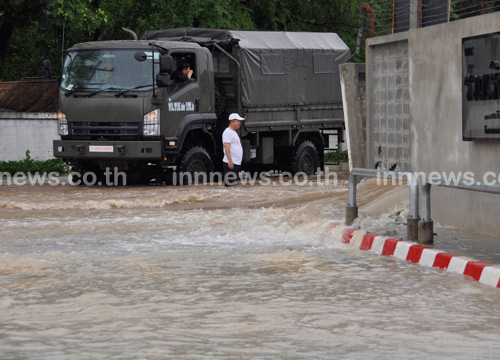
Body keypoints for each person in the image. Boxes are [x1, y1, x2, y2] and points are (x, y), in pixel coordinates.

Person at [222, 113, 245, 187]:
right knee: (229, 184)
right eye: (238, 121)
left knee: (232, 185)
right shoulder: (227, 132)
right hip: (231, 163)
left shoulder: (233, 132)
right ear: (232, 122)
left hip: (235, 162)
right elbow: (226, 147)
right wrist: (230, 161)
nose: (239, 123)